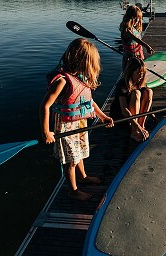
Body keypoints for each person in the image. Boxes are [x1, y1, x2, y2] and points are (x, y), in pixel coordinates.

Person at [40, 38, 114, 201]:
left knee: (79, 154)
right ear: (81, 61)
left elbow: (89, 102)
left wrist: (103, 116)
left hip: (80, 123)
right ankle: (73, 190)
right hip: (66, 127)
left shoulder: (81, 78)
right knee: (71, 160)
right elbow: (45, 106)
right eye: (91, 63)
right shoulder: (62, 81)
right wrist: (47, 132)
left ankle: (83, 177)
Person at [113, 57, 153, 141]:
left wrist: (155, 117)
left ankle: (142, 126)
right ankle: (134, 131)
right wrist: (137, 127)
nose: (141, 76)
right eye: (138, 73)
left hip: (135, 119)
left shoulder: (140, 83)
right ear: (131, 72)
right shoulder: (122, 84)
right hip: (122, 118)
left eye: (142, 73)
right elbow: (124, 110)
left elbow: (146, 104)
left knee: (148, 91)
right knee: (136, 93)